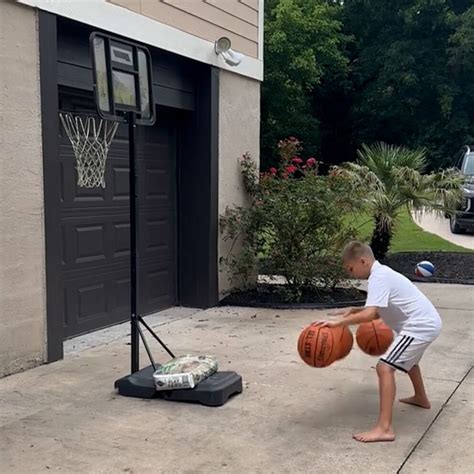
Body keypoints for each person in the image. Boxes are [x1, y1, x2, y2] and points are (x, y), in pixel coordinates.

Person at [316, 241, 442, 443]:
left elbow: (372, 314)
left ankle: (385, 428)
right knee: (410, 362)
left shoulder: (379, 277)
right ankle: (421, 398)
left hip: (420, 326)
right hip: (424, 323)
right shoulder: (381, 274)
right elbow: (375, 308)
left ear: (363, 261)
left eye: (351, 268)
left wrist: (338, 323)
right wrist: (353, 309)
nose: (351, 273)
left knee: (384, 368)